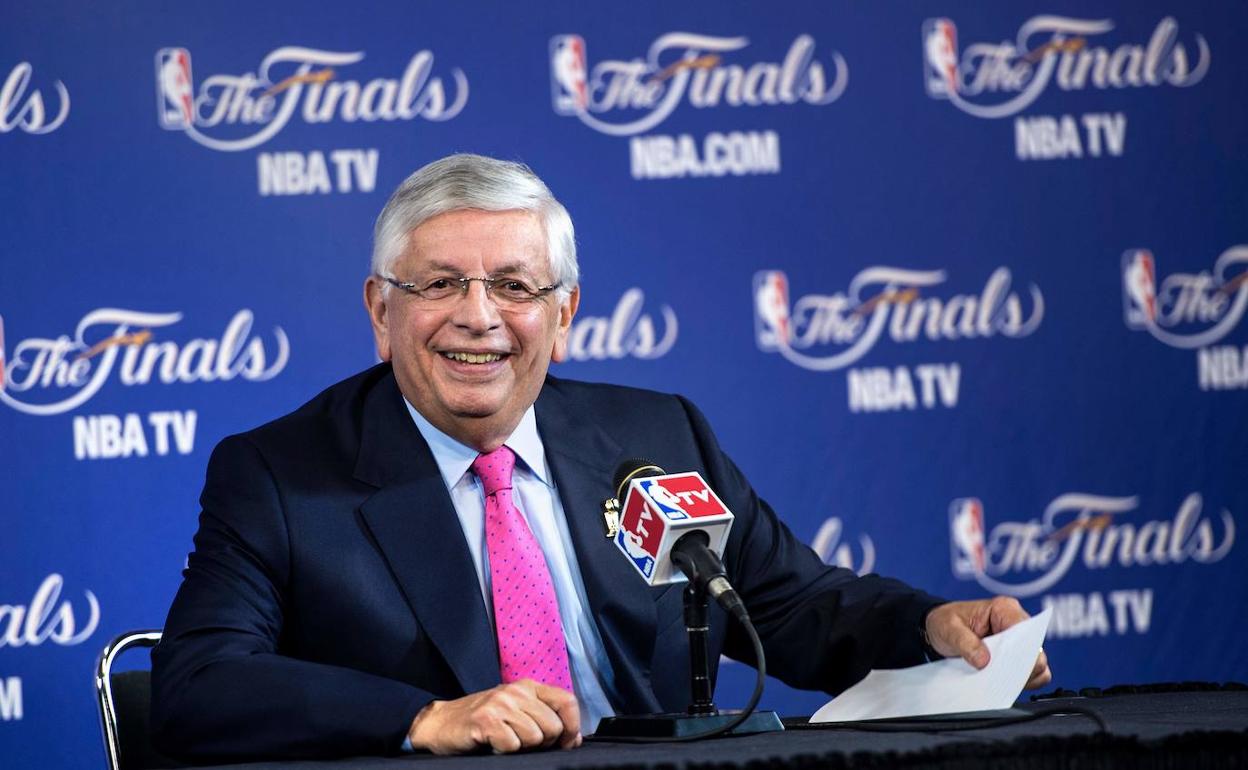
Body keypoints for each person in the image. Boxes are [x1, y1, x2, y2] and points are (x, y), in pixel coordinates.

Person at [151, 154, 1050, 761]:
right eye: (438, 285)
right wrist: (424, 719)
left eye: (513, 285)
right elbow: (198, 683)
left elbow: (791, 606)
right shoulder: (280, 476)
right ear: (381, 314)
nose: (479, 316)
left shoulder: (657, 437)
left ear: (565, 314)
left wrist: (931, 626)